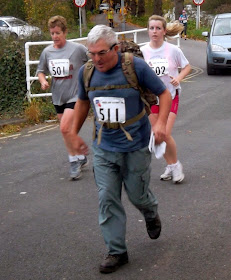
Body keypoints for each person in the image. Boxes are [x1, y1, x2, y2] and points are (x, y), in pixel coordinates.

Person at [69, 24, 172, 273]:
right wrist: (72, 133)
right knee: (107, 198)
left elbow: (164, 94)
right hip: (104, 147)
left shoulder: (134, 67)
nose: (96, 59)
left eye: (101, 53)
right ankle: (117, 251)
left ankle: (149, 212)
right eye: (91, 54)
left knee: (137, 194)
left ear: (114, 48)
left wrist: (160, 125)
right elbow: (83, 102)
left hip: (136, 145)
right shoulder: (87, 72)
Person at [37, 15, 88, 180]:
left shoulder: (77, 49)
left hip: (75, 95)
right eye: (52, 33)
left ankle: (73, 161)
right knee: (67, 131)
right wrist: (43, 81)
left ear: (65, 32)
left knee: (65, 128)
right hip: (58, 97)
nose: (55, 36)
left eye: (58, 32)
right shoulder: (47, 52)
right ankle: (80, 156)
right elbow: (40, 71)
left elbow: (92, 61)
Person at [141, 15, 191, 183]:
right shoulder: (143, 51)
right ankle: (170, 165)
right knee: (157, 135)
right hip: (152, 99)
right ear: (148, 30)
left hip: (170, 95)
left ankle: (176, 166)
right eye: (151, 28)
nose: (154, 31)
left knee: (165, 132)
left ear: (163, 31)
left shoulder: (173, 50)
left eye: (158, 28)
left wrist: (179, 78)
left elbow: (187, 67)